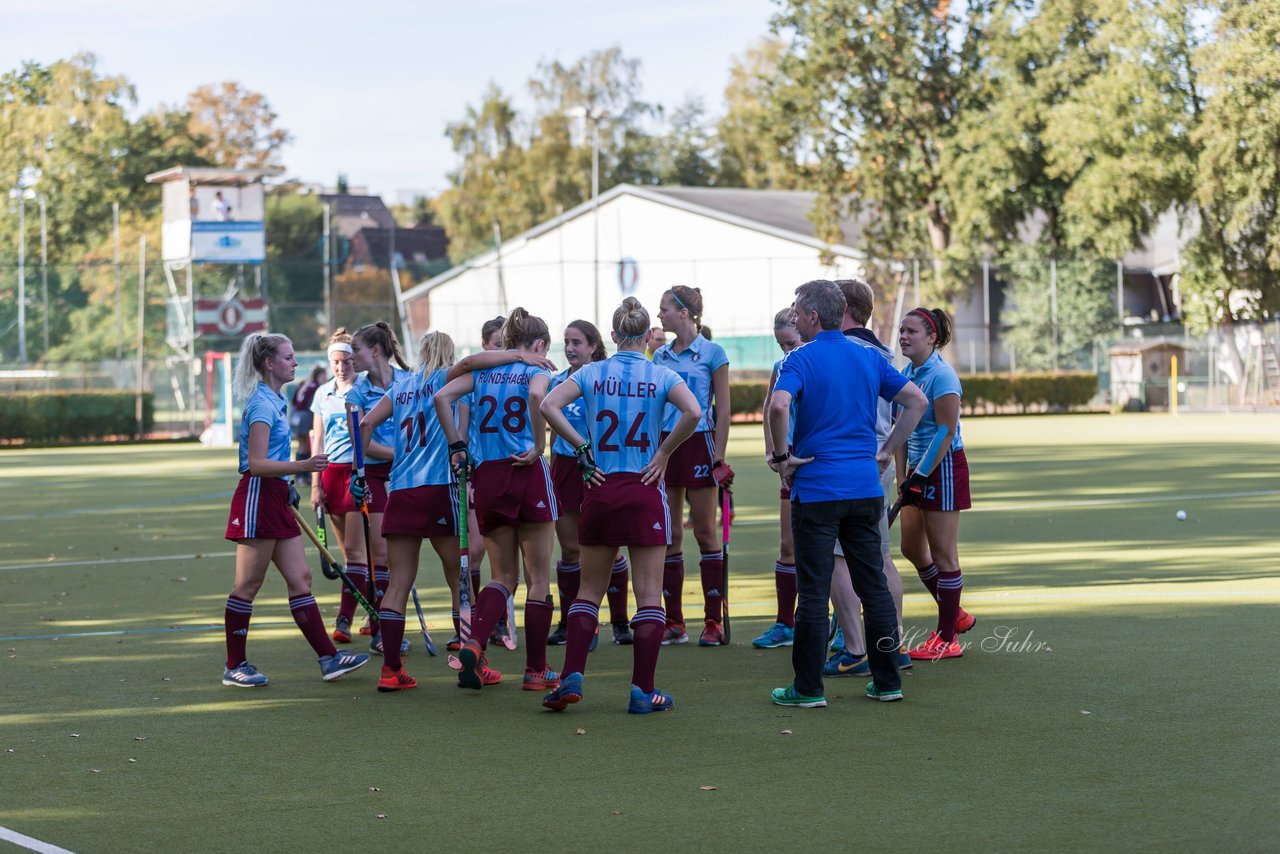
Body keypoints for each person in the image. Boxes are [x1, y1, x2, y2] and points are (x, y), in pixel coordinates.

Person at [767, 280, 926, 707]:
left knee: (815, 589)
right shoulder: (868, 356)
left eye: (798, 310)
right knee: (872, 583)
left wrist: (782, 458)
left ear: (814, 316)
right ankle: (888, 681)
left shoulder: (799, 358)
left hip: (817, 490)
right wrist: (887, 451)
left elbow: (779, 406)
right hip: (864, 487)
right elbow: (916, 401)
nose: (795, 316)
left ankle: (807, 689)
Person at [540, 296, 702, 713]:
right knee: (649, 595)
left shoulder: (593, 371)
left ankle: (572, 674)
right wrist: (665, 452)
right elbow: (694, 411)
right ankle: (642, 692)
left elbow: (548, 405)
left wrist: (580, 448)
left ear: (612, 336)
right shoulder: (661, 373)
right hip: (644, 488)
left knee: (588, 591)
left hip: (600, 486)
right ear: (649, 336)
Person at [221, 332, 370, 688]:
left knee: (300, 578)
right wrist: (303, 468)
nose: (295, 363)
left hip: (275, 496)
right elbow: (256, 464)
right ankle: (234, 665)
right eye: (288, 357)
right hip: (258, 495)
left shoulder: (275, 400)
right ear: (269, 363)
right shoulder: (261, 405)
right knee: (248, 585)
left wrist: (288, 485)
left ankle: (329, 659)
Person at [434, 308, 560, 691]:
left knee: (502, 576)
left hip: (487, 475)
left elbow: (442, 395)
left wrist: (456, 443)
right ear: (539, 345)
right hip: (525, 470)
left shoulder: (482, 372)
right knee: (538, 578)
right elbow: (539, 394)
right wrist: (539, 444)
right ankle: (536, 671)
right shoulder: (536, 369)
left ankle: (473, 642)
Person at [352, 331, 466, 691]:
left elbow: (366, 424)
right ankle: (471, 663)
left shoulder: (400, 388)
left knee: (397, 583)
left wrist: (358, 471)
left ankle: (390, 670)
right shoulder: (447, 380)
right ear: (449, 354)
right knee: (458, 579)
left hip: (400, 491)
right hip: (438, 489)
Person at [822, 279, 912, 676]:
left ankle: (856, 648)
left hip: (854, 460)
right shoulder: (879, 349)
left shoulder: (847, 350)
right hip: (877, 457)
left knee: (835, 557)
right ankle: (894, 645)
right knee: (881, 558)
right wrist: (889, 449)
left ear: (841, 308)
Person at [652, 285, 734, 646]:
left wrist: (718, 455)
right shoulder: (659, 356)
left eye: (664, 309)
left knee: (705, 533)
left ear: (683, 313)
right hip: (668, 446)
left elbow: (725, 410)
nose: (660, 315)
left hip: (700, 445)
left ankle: (712, 622)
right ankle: (674, 622)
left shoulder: (713, 352)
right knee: (670, 535)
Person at [547, 320, 633, 648]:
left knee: (609, 546)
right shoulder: (556, 382)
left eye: (577, 342)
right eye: (566, 342)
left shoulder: (605, 380)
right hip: (566, 468)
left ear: (594, 346)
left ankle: (620, 622)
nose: (570, 348)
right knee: (570, 549)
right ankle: (572, 621)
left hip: (600, 466)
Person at [897, 307, 975, 661]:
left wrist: (920, 475)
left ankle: (947, 638)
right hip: (917, 470)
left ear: (931, 337)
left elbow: (945, 432)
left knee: (944, 554)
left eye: (912, 331)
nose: (904, 336)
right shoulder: (906, 373)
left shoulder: (943, 376)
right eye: (902, 331)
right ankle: (954, 613)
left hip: (941, 468)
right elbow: (901, 430)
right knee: (912, 548)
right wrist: (903, 478)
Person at [347, 322, 414, 653]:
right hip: (374, 475)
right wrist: (401, 452)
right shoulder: (356, 392)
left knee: (403, 557)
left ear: (375, 351)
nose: (350, 356)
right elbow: (362, 444)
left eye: (356, 349)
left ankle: (391, 623)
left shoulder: (408, 382)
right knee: (381, 554)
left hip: (407, 475)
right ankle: (381, 629)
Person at [307, 330, 365, 643]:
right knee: (349, 555)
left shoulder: (365, 388)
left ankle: (345, 619)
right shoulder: (322, 394)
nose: (341, 367)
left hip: (357, 474)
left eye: (346, 361)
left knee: (356, 554)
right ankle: (372, 610)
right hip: (331, 474)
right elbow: (317, 439)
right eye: (336, 362)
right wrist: (316, 485)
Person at [753, 308, 802, 650]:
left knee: (831, 549)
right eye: (781, 345)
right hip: (792, 463)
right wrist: (774, 452)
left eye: (791, 343)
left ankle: (841, 622)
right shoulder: (780, 367)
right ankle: (785, 623)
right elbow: (770, 409)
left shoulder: (815, 362)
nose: (787, 351)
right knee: (788, 545)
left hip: (818, 462)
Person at [290, 364, 325, 485]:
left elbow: (294, 400)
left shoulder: (304, 384)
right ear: (320, 375)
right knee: (307, 446)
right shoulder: (316, 387)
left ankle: (299, 476)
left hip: (296, 415)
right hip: (305, 417)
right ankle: (305, 476)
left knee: (301, 446)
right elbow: (312, 406)